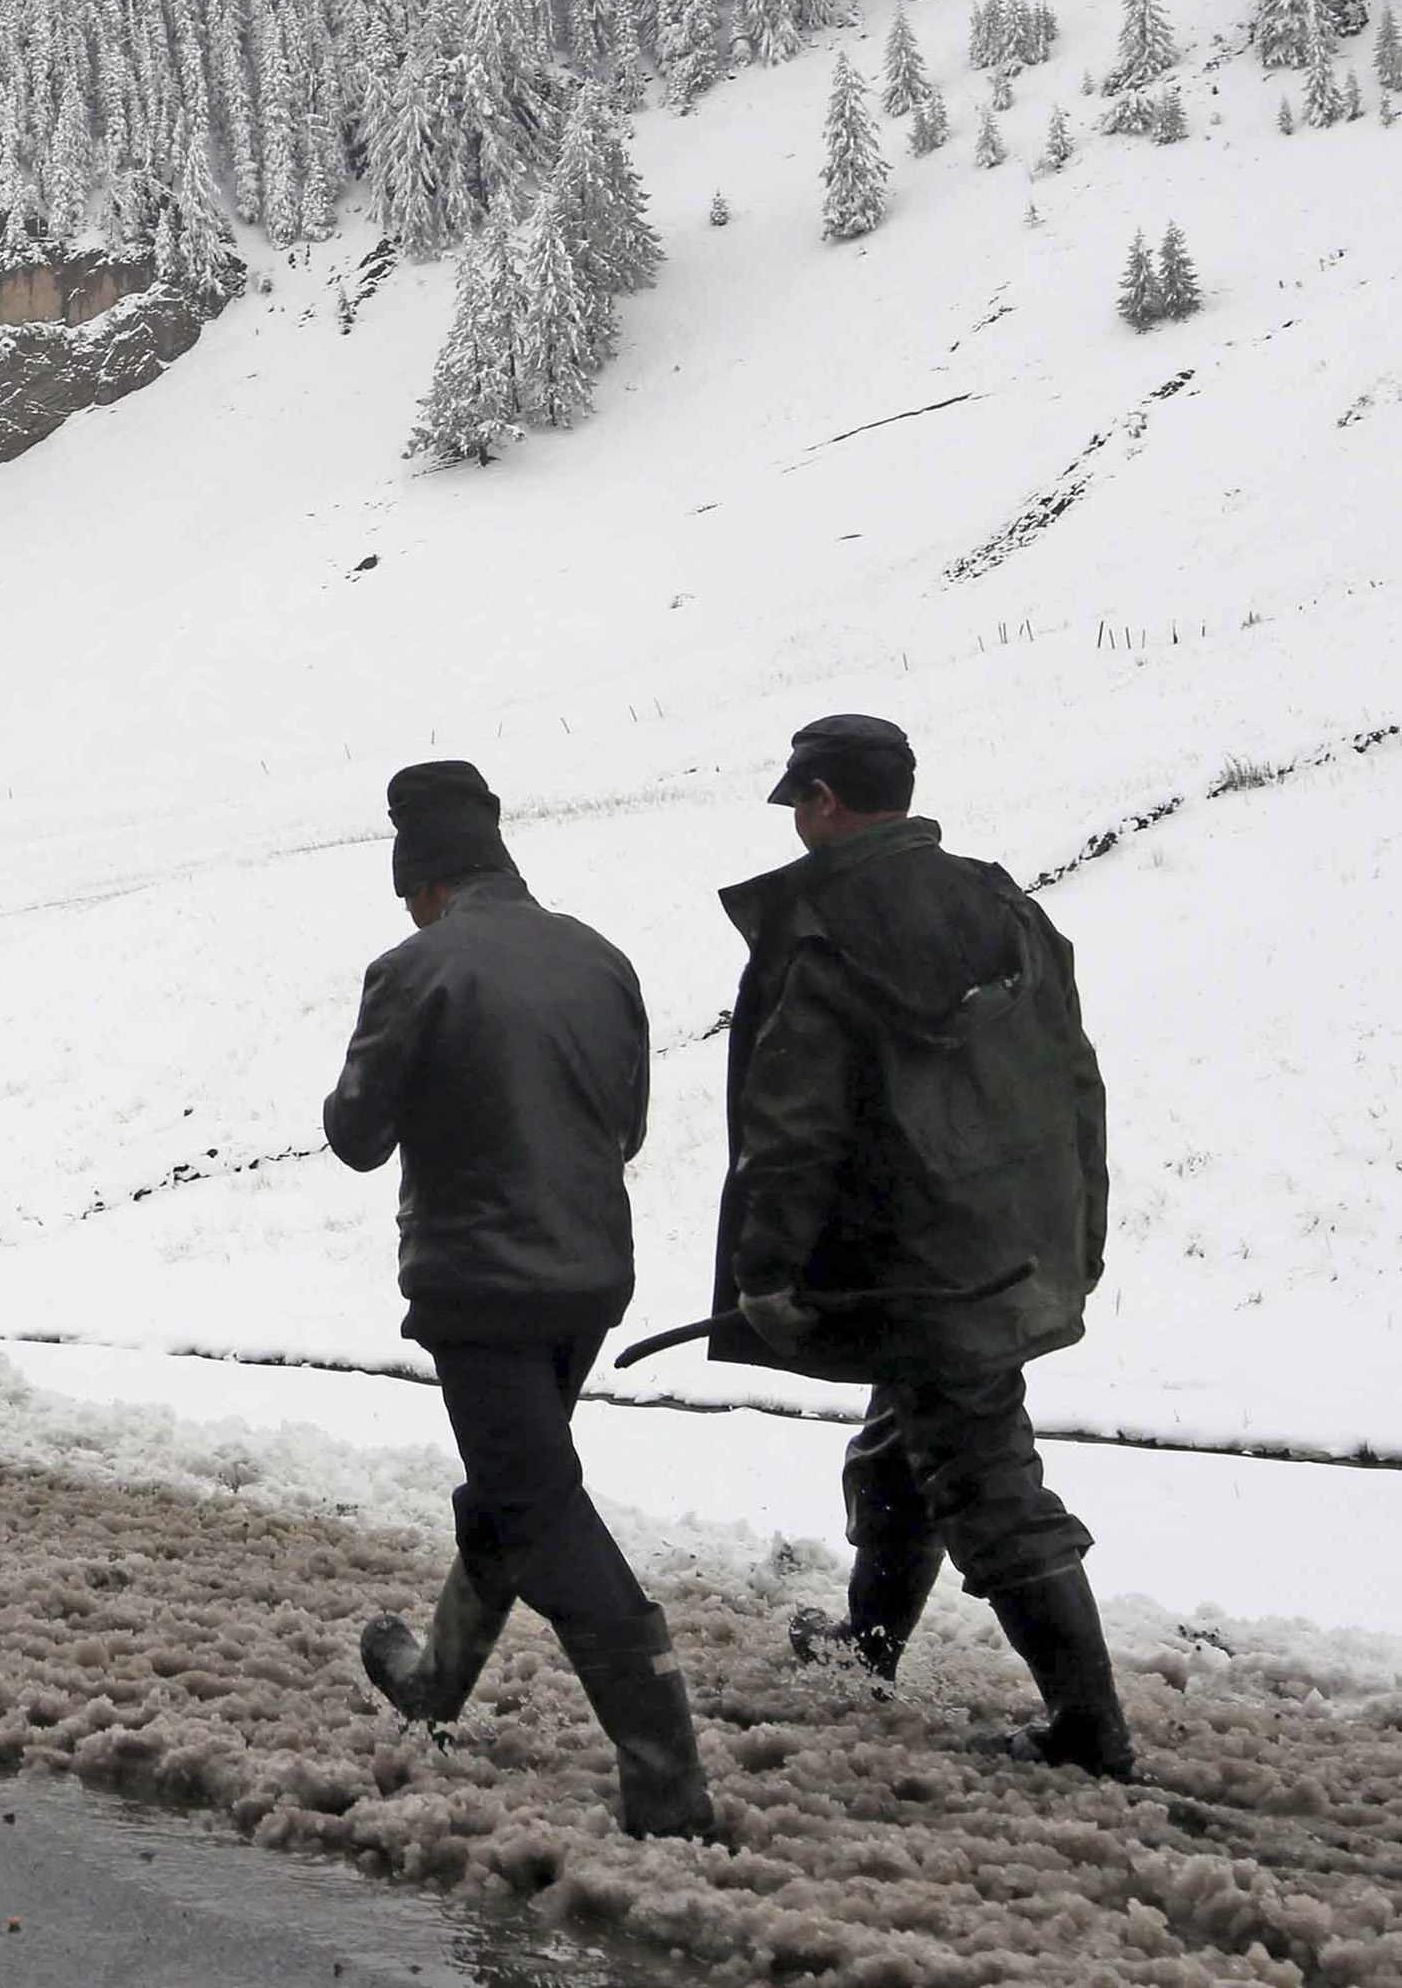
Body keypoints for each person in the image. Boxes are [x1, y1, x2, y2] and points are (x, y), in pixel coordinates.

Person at [717, 716, 1128, 1776]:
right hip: (1007, 1236)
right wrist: (1078, 1224)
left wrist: (763, 1267)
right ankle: (867, 1645)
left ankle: (1087, 1728)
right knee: (902, 1437)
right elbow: (1074, 1077)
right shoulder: (1001, 902)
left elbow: (792, 1124)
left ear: (818, 798)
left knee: (984, 1472)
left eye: (797, 803)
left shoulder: (823, 925)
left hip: (916, 1255)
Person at [324, 762, 718, 1840]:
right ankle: (434, 1681)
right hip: (587, 1274)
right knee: (518, 1475)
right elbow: (626, 1123)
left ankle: (666, 1777)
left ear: (420, 878)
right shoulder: (601, 956)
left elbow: (356, 1136)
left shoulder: (412, 967)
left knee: (539, 1502)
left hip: (476, 1281)